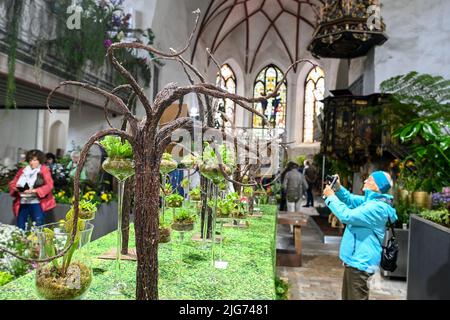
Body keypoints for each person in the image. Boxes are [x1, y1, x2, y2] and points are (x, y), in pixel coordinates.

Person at [322, 171, 398, 300]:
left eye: (369, 179)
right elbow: (350, 199)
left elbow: (347, 216)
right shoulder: (371, 201)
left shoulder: (377, 208)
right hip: (355, 260)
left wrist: (330, 197)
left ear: (377, 186)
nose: (365, 181)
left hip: (361, 262)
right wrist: (338, 188)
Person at [9, 149, 56, 230]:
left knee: (38, 225)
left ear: (39, 160)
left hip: (36, 202)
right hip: (23, 202)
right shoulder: (23, 170)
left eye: (35, 160)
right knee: (21, 225)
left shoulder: (43, 170)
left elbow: (49, 185)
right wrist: (16, 188)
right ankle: (21, 240)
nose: (32, 162)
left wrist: (35, 190)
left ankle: (37, 242)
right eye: (30, 160)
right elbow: (13, 183)